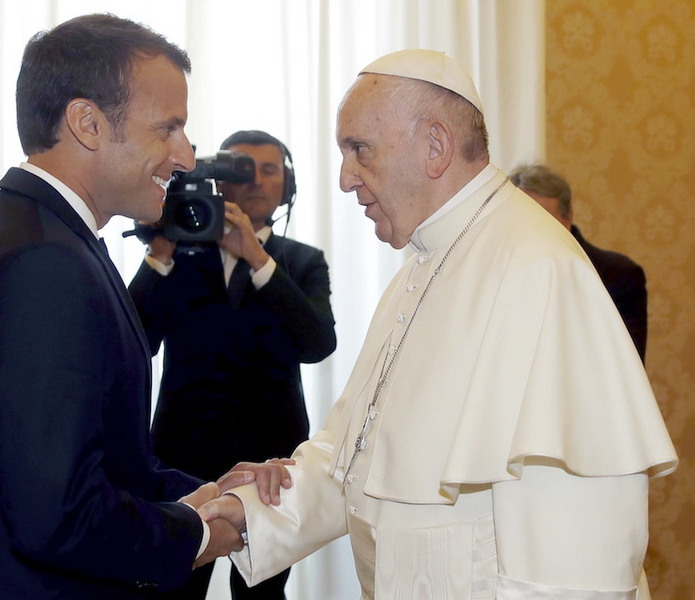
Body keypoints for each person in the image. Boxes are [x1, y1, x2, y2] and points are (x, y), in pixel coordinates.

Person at [198, 49, 678, 599]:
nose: (345, 178)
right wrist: (249, 511)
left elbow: (578, 561)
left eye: (359, 149)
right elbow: (356, 451)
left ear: (435, 145)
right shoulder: (421, 268)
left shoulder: (537, 268)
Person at [0, 14, 289, 600]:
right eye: (168, 128)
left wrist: (205, 492)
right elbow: (57, 515)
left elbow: (95, 460)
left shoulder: (44, 235)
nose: (186, 158)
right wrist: (199, 533)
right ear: (88, 123)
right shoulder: (43, 261)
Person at [128, 129, 337, 599]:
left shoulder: (301, 262)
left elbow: (318, 344)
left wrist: (258, 260)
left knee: (262, 594)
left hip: (270, 463)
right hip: (181, 457)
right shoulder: (179, 255)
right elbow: (132, 341)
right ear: (218, 181)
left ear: (287, 185)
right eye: (243, 169)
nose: (257, 180)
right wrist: (160, 253)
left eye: (270, 170)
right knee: (173, 586)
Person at [509, 163, 648, 361]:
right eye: (523, 217)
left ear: (568, 218)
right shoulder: (497, 272)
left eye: (543, 217)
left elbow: (626, 361)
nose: (532, 227)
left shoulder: (619, 275)